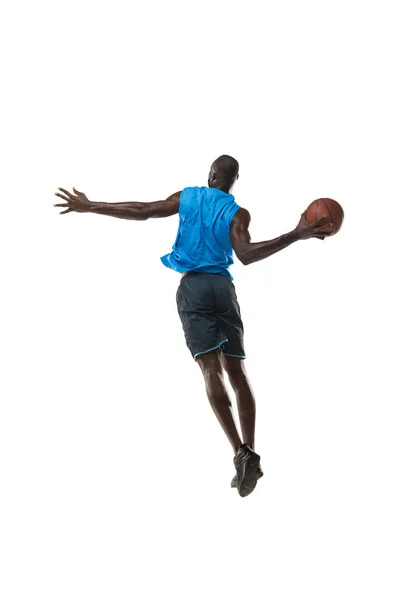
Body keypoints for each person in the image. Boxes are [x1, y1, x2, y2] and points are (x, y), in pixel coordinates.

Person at [54, 155, 332, 497]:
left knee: (210, 370)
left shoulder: (188, 197)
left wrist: (90, 205)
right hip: (223, 290)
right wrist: (295, 234)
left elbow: (143, 210)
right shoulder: (237, 212)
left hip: (194, 289)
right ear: (234, 182)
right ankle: (251, 450)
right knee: (238, 372)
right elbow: (245, 254)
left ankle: (240, 453)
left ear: (211, 174)